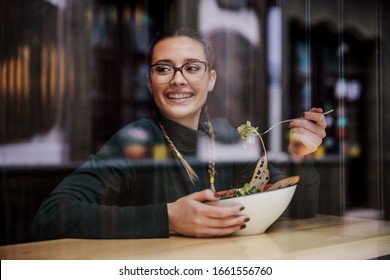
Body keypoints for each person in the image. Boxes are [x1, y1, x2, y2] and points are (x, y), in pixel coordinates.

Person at [33, 27, 327, 240]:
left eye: (192, 68)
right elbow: (51, 217)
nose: (178, 80)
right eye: (164, 69)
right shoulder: (137, 138)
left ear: (210, 80)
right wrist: (169, 218)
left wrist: (300, 157)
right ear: (150, 82)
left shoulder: (227, 137)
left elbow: (300, 211)